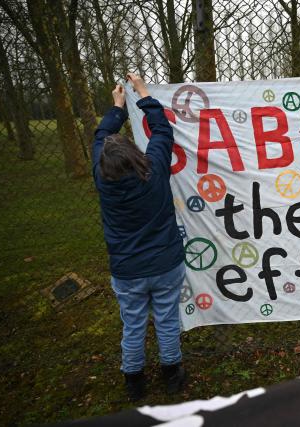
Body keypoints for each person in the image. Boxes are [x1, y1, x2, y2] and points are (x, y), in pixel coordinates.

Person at [92, 74, 187, 401]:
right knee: (167, 320)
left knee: (132, 326)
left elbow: (101, 135)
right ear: (135, 153)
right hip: (165, 265)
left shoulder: (102, 179)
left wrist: (117, 108)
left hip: (128, 270)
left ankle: (134, 381)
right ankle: (172, 374)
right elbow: (162, 129)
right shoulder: (155, 168)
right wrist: (142, 93)